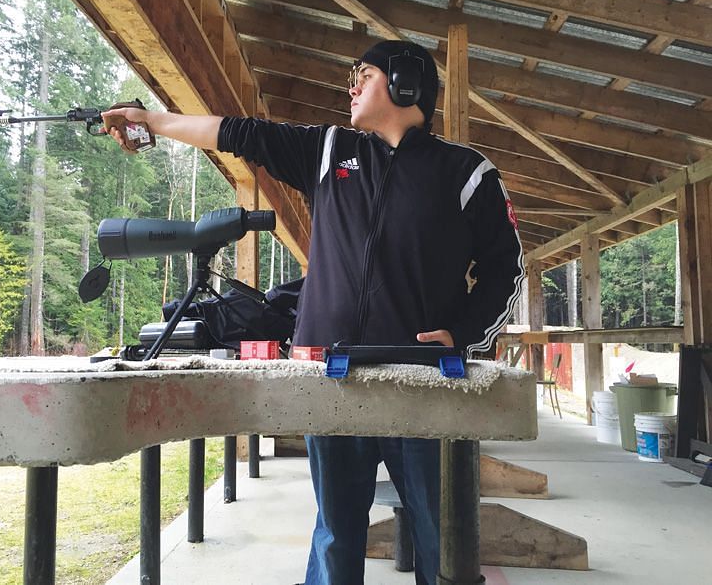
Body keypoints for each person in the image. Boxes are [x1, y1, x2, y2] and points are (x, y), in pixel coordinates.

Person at [104, 40, 524, 585]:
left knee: (439, 537)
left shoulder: (467, 173)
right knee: (335, 534)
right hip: (333, 377)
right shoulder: (331, 150)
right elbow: (237, 132)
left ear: (405, 83)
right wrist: (151, 122)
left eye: (363, 74)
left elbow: (505, 268)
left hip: (423, 383)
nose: (350, 86)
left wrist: (464, 334)